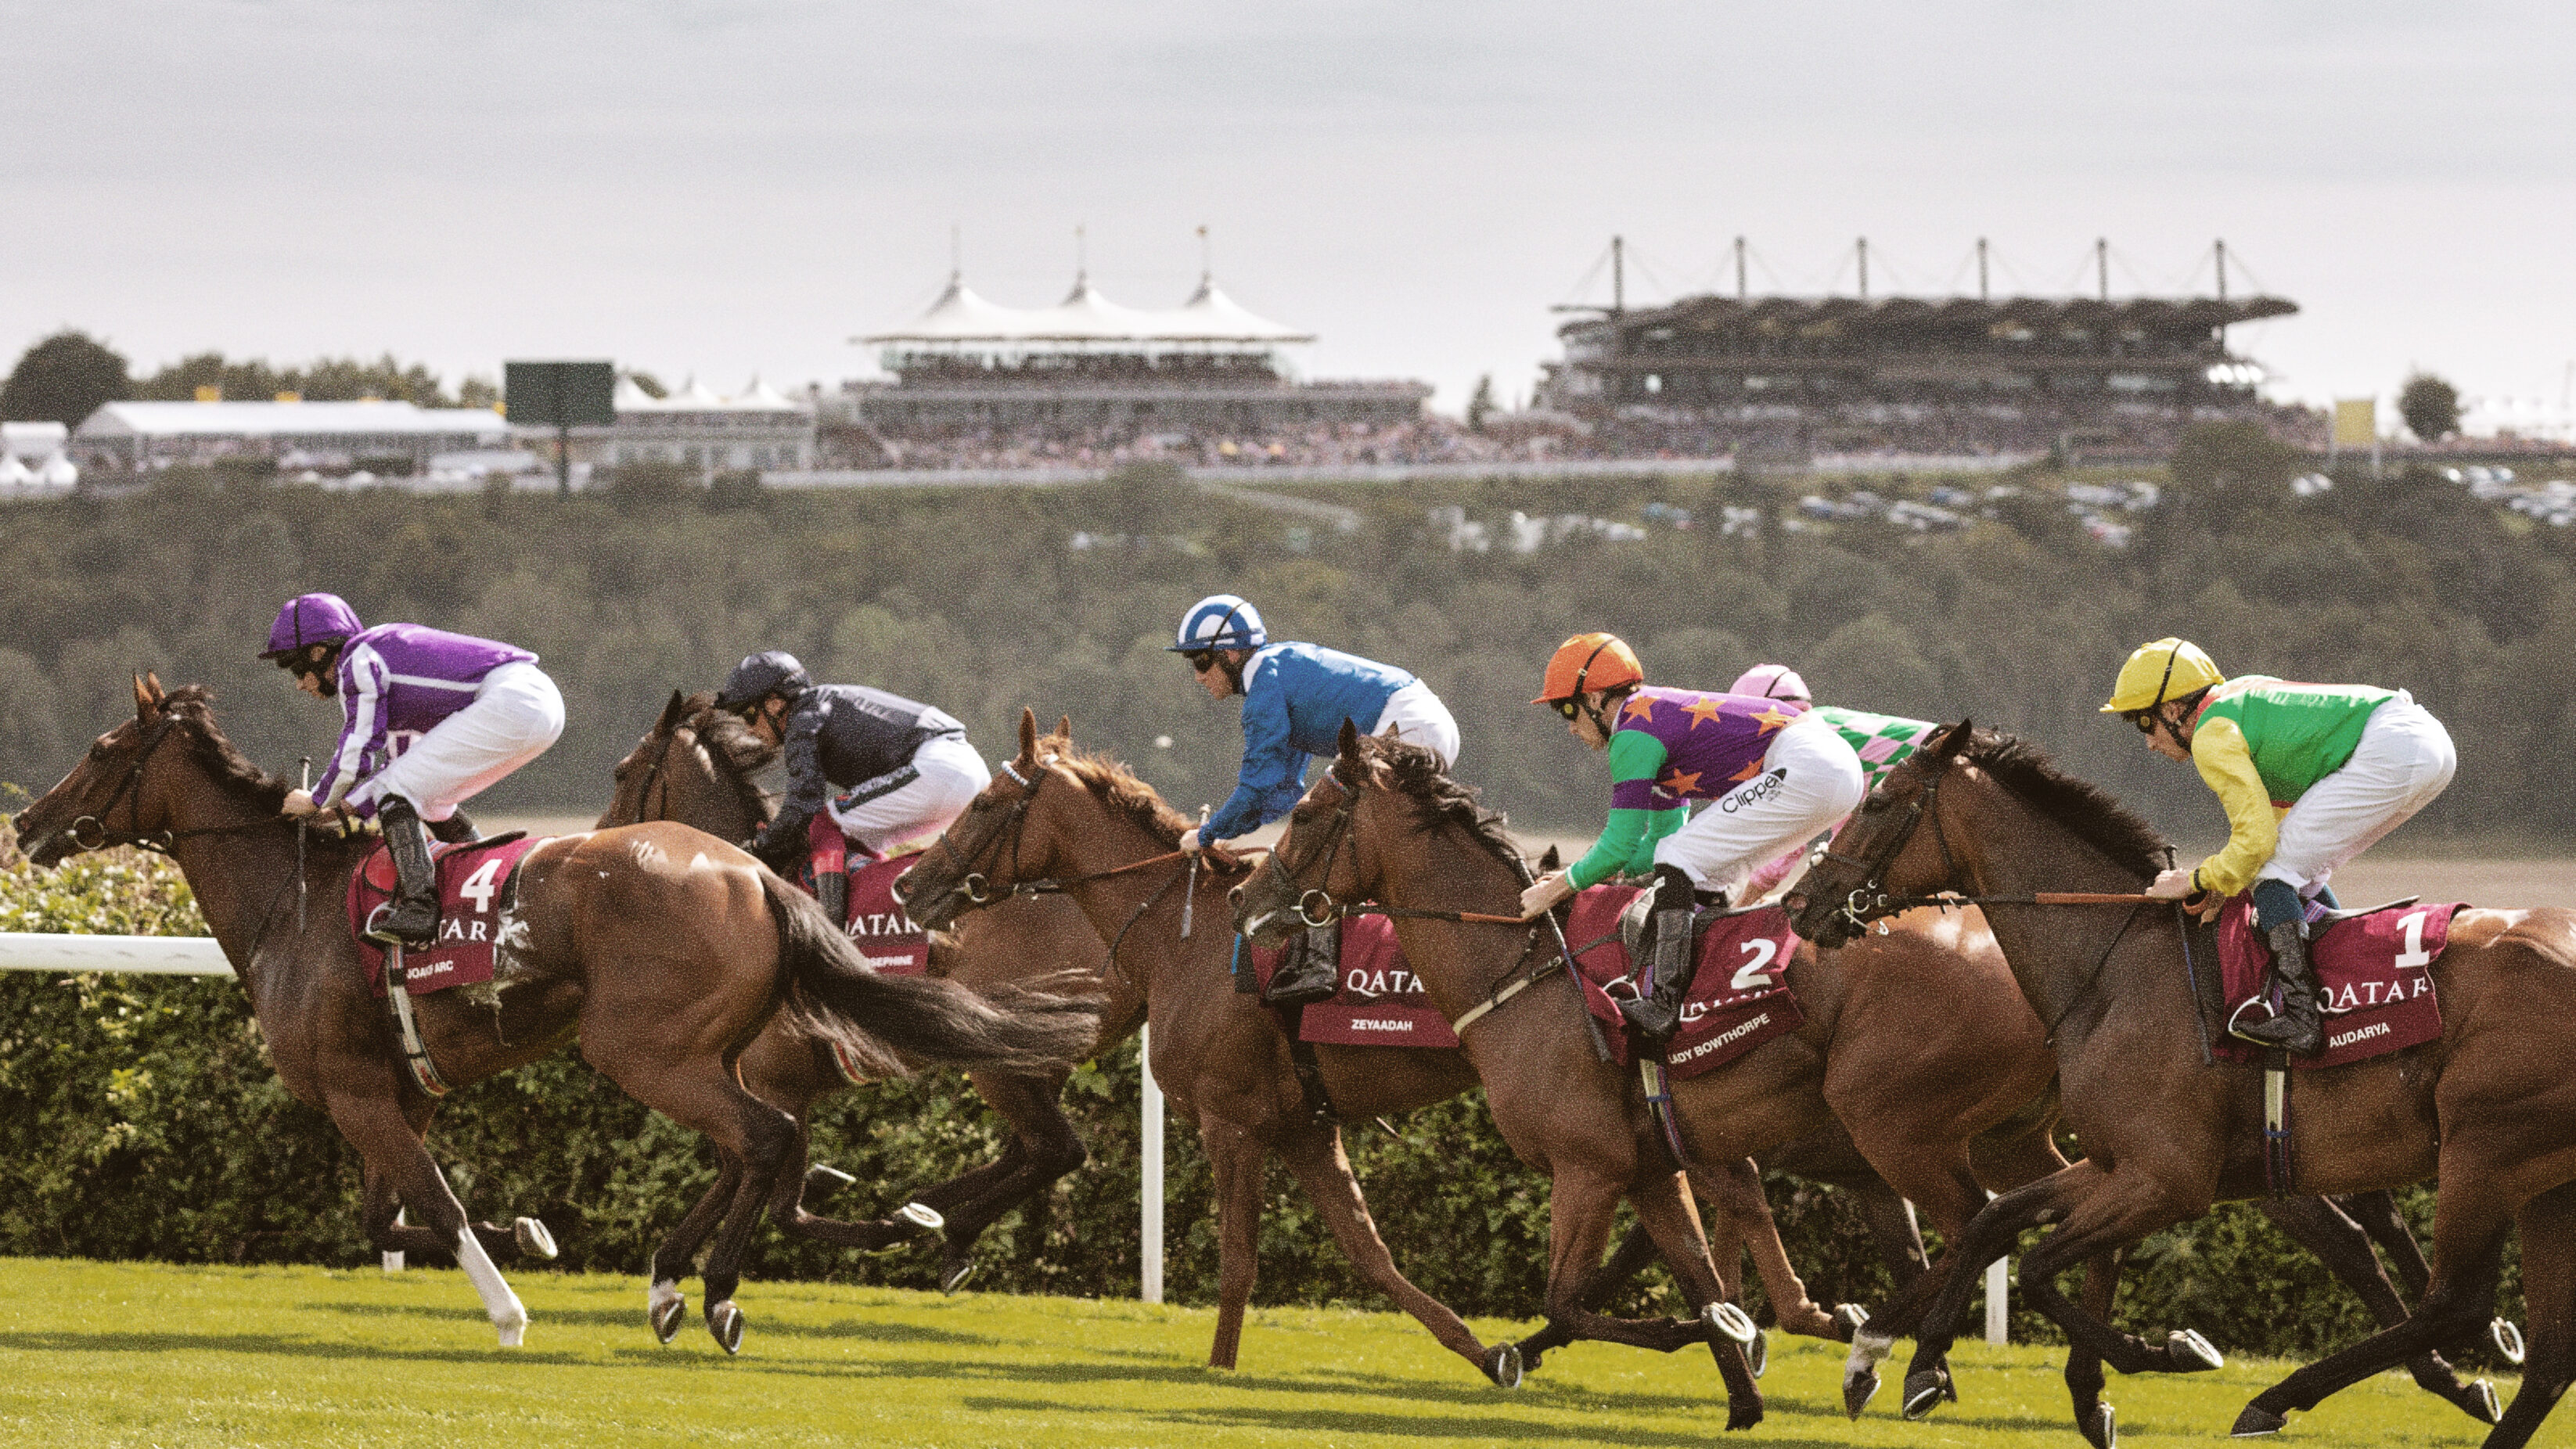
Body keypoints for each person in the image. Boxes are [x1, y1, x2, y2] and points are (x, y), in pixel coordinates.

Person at [2103, 638, 2457, 1056]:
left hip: (2393, 748)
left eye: (2145, 724)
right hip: (2422, 742)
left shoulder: (2211, 735)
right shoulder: (2237, 698)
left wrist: (2194, 880)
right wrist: (2225, 885)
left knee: (2274, 872)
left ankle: (2303, 1019)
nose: (2149, 742)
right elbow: (2273, 820)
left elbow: (2256, 842)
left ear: (2174, 709)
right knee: (2291, 871)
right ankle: (2334, 989)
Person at [1520, 633, 1865, 1043]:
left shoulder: (1632, 731)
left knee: (1682, 857)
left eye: (1567, 710)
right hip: (1832, 769)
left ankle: (1664, 1005)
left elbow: (1621, 844)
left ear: (1594, 699)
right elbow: (1651, 848)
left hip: (1811, 764)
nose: (1571, 728)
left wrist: (1556, 890)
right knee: (1698, 868)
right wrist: (1580, 879)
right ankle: (1711, 990)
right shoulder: (1655, 720)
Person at [1168, 594, 1459, 1008]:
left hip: (1407, 725)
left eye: (1200, 661)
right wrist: (1226, 831)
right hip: (1422, 720)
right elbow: (1282, 792)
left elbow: (1256, 787)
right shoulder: (1277, 670)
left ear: (1230, 653)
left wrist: (1208, 833)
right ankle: (1319, 955)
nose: (1197, 676)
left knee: (1328, 832)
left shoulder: (1263, 687)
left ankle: (1317, 964)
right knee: (1320, 820)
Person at [263, 592, 565, 947]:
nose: (301, 684)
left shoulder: (357, 661)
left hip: (514, 700)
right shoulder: (386, 665)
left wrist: (315, 800)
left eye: (299, 670)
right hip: (538, 703)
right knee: (428, 800)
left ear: (318, 653)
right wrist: (344, 809)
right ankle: (483, 884)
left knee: (396, 792)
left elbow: (357, 753)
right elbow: (396, 768)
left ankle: (420, 909)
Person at [714, 650, 989, 928]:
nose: (749, 729)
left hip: (940, 766)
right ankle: (878, 919)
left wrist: (762, 844)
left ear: (774, 704)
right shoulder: (820, 704)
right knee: (862, 837)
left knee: (824, 822)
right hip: (968, 766)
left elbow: (805, 805)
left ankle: (833, 932)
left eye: (748, 714)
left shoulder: (802, 718)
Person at [1727, 663, 1941, 899]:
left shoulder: (1803, 739)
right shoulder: (1824, 720)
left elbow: (1793, 836)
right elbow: (1846, 831)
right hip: (1941, 769)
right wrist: (1788, 894)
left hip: (1939, 773)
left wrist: (1745, 902)